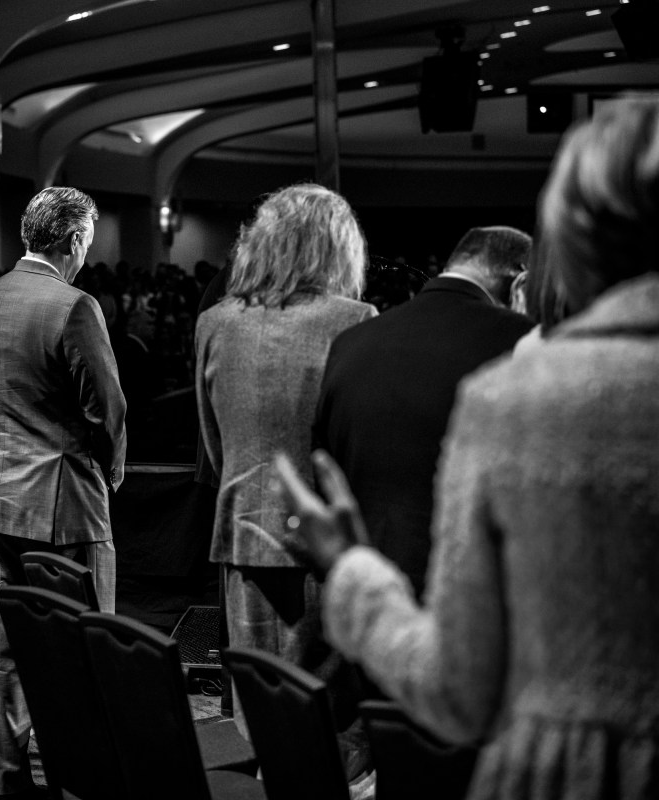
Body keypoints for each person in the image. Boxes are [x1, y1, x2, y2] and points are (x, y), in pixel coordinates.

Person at [277, 97, 659, 800]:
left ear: (572, 233)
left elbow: (459, 687)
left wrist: (350, 567)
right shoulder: (507, 355)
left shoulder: (515, 392)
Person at [194, 183, 374, 773]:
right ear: (336, 248)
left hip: (243, 527)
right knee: (332, 709)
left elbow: (213, 441)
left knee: (260, 704)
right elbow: (358, 441)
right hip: (324, 538)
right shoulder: (355, 320)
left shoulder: (216, 322)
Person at [0, 186, 127, 800]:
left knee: (12, 647)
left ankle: (11, 778)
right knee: (84, 648)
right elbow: (106, 410)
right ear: (73, 240)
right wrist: (109, 470)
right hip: (67, 501)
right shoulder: (75, 305)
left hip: (2, 495)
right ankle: (79, 779)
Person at [313, 227, 533, 596]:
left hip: (364, 586)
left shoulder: (352, 341)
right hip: (468, 594)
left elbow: (323, 465)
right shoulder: (520, 342)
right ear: (520, 279)